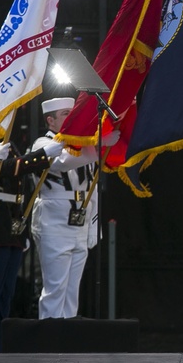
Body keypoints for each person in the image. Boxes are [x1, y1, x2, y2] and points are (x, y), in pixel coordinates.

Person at [31, 97, 119, 319]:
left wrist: (93, 227)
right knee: (55, 289)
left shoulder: (83, 146)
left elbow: (92, 188)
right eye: (64, 114)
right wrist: (98, 145)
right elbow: (63, 162)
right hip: (54, 222)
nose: (71, 118)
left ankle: (67, 344)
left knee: (72, 292)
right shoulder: (42, 144)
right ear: (50, 121)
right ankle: (49, 345)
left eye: (72, 113)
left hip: (79, 222)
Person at [0, 140, 55, 352]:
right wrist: (42, 156)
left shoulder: (10, 144)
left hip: (13, 230)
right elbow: (8, 168)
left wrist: (24, 232)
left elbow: (24, 193)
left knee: (6, 293)